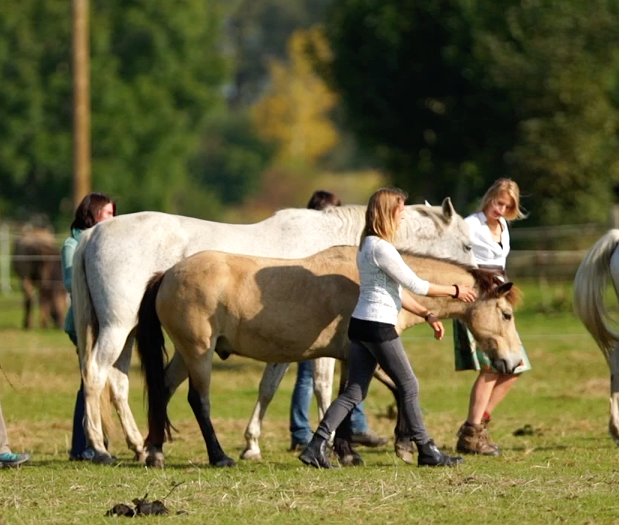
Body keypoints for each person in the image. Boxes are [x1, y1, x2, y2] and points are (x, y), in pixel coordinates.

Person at [300, 187, 477, 468]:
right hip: (378, 327)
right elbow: (416, 285)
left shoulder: (368, 245)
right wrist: (455, 290)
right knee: (409, 385)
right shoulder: (381, 248)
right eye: (400, 209)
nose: (403, 215)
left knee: (354, 392)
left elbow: (393, 291)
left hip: (362, 324)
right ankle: (427, 450)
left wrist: (426, 314)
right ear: (387, 212)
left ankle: (315, 446)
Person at [289, 191, 388, 451]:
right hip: (315, 316)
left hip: (334, 315)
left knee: (350, 373)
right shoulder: (309, 241)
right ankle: (303, 433)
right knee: (309, 376)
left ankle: (351, 427)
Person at [454, 178, 530, 456]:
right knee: (491, 368)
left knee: (513, 368)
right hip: (479, 303)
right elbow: (457, 260)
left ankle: (476, 427)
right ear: (488, 199)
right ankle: (472, 433)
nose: (500, 210)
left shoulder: (503, 226)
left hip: (500, 301)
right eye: (498, 203)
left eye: (507, 206)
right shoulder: (469, 225)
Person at [62, 192, 116, 461]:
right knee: (89, 382)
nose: (112, 218)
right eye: (106, 213)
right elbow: (71, 283)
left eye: (112, 213)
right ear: (90, 214)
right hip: (81, 323)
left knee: (100, 381)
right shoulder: (72, 245)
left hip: (100, 320)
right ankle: (82, 446)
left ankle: (97, 443)